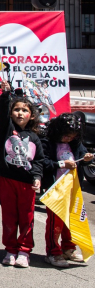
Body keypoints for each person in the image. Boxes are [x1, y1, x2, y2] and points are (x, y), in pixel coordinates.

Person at [0, 82, 44, 268]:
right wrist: (6, 94)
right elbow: (1, 110)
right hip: (8, 181)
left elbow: (38, 160)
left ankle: (24, 250)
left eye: (24, 110)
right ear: (11, 113)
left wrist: (37, 177)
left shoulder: (34, 137)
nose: (20, 113)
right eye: (16, 110)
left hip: (27, 184)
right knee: (9, 216)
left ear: (31, 115)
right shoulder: (6, 130)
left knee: (27, 217)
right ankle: (10, 249)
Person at [41, 113, 93, 267]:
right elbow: (43, 162)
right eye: (66, 136)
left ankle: (68, 249)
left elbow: (81, 156)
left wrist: (87, 158)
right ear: (58, 131)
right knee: (55, 223)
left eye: (72, 136)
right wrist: (62, 164)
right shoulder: (48, 142)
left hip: (72, 188)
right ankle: (53, 252)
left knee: (72, 220)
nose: (69, 139)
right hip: (55, 189)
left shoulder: (76, 143)